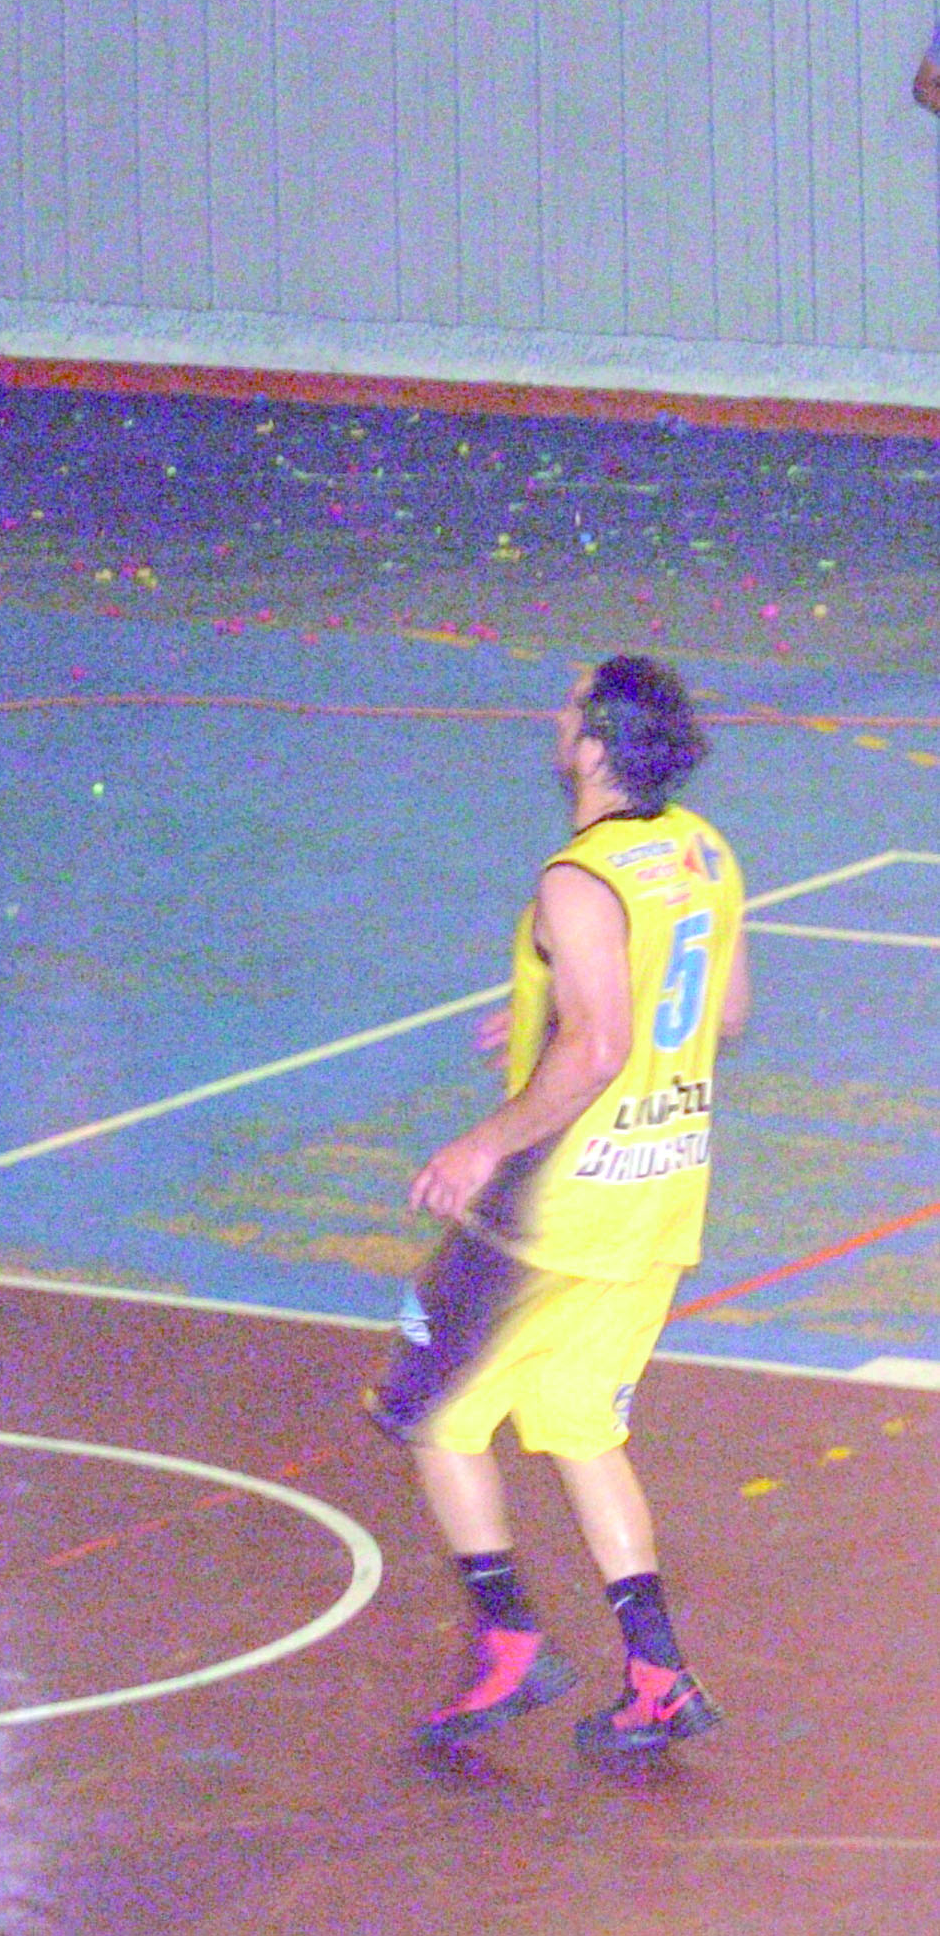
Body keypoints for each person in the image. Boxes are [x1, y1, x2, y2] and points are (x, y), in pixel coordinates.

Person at [369, 656, 748, 1757]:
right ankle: (658, 1672)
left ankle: (511, 1642)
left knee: (428, 1410)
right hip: (661, 1190)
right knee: (582, 1422)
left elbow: (600, 1046)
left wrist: (482, 1141)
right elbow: (720, 1011)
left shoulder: (576, 879)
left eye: (571, 705)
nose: (556, 713)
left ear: (592, 744)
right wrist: (551, 1001)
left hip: (557, 1205)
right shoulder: (704, 850)